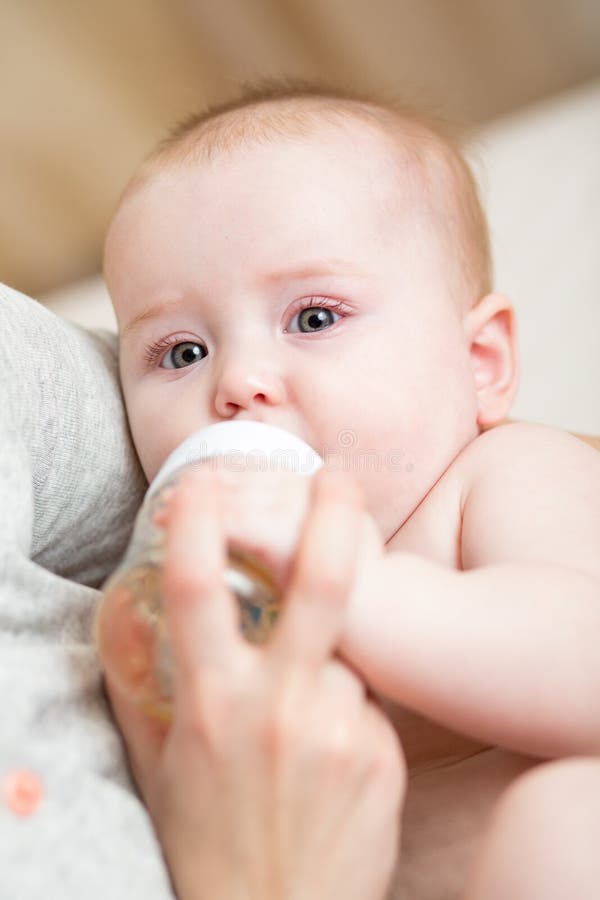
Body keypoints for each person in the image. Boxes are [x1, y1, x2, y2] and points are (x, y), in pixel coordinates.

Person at [100, 79, 600, 899]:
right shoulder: (189, 565)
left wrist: (355, 593)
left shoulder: (498, 477)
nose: (241, 380)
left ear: (481, 366)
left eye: (314, 317)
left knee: (572, 817)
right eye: (182, 352)